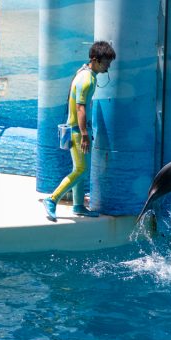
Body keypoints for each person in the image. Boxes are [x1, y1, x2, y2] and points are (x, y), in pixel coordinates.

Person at [41, 41, 116, 222]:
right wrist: (84, 134)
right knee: (82, 170)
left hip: (77, 129)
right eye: (106, 62)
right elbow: (80, 107)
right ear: (95, 60)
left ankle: (78, 205)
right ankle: (52, 199)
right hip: (77, 131)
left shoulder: (84, 73)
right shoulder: (87, 79)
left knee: (80, 168)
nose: (108, 66)